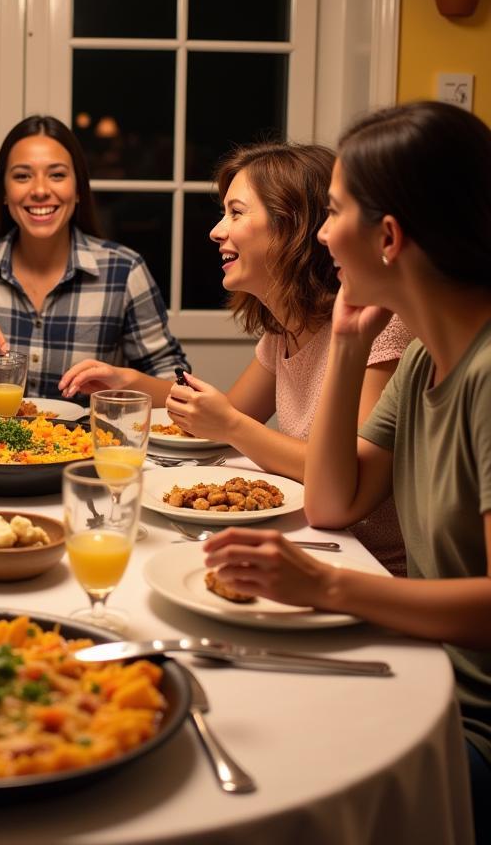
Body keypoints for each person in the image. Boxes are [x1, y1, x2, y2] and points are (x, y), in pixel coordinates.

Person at [202, 102, 491, 841]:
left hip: (468, 723)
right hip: (418, 667)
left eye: (332, 212)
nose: (320, 233)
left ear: (387, 237)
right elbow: (334, 504)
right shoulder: (425, 356)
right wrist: (351, 344)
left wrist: (325, 583)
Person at [159, 143, 409, 574]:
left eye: (236, 213)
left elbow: (343, 479)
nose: (217, 231)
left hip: (372, 568)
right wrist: (124, 383)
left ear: (293, 227)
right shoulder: (282, 330)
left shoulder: (378, 327)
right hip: (315, 546)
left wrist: (231, 426)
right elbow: (217, 414)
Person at [0, 115, 186, 407]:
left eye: (57, 175)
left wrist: (124, 381)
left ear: (78, 190)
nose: (40, 190)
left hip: (90, 451)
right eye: (22, 176)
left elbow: (180, 390)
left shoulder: (124, 270)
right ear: (3, 192)